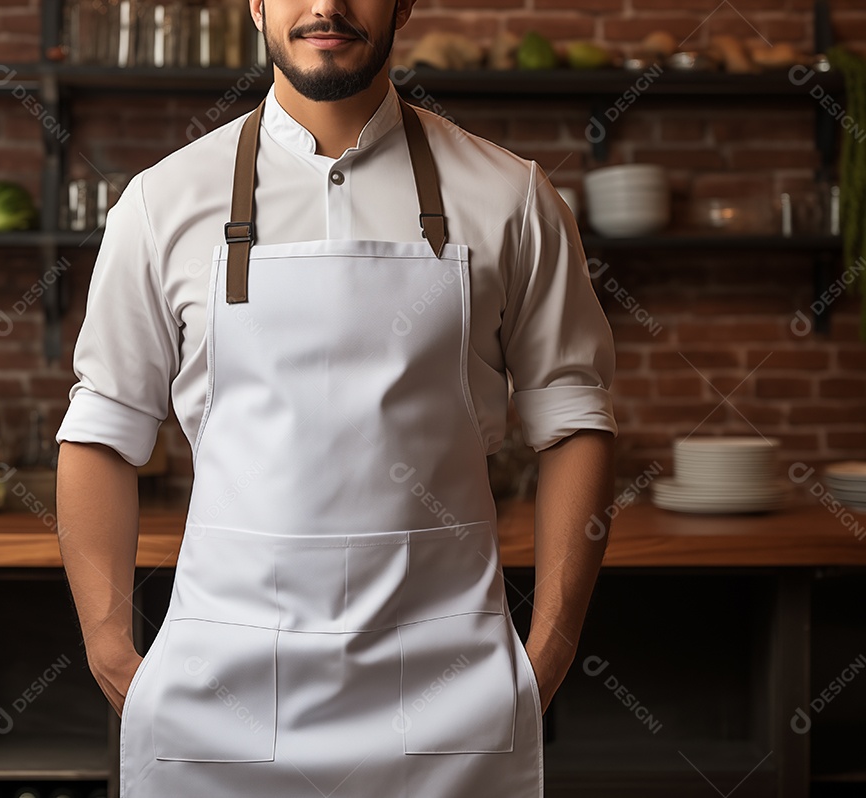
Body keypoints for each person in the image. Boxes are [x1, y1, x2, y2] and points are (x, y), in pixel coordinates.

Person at [54, 0, 617, 794]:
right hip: (220, 704)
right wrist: (112, 652)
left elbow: (575, 421)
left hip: (448, 706)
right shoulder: (160, 203)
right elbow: (102, 432)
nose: (326, 5)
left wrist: (549, 653)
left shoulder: (513, 197)